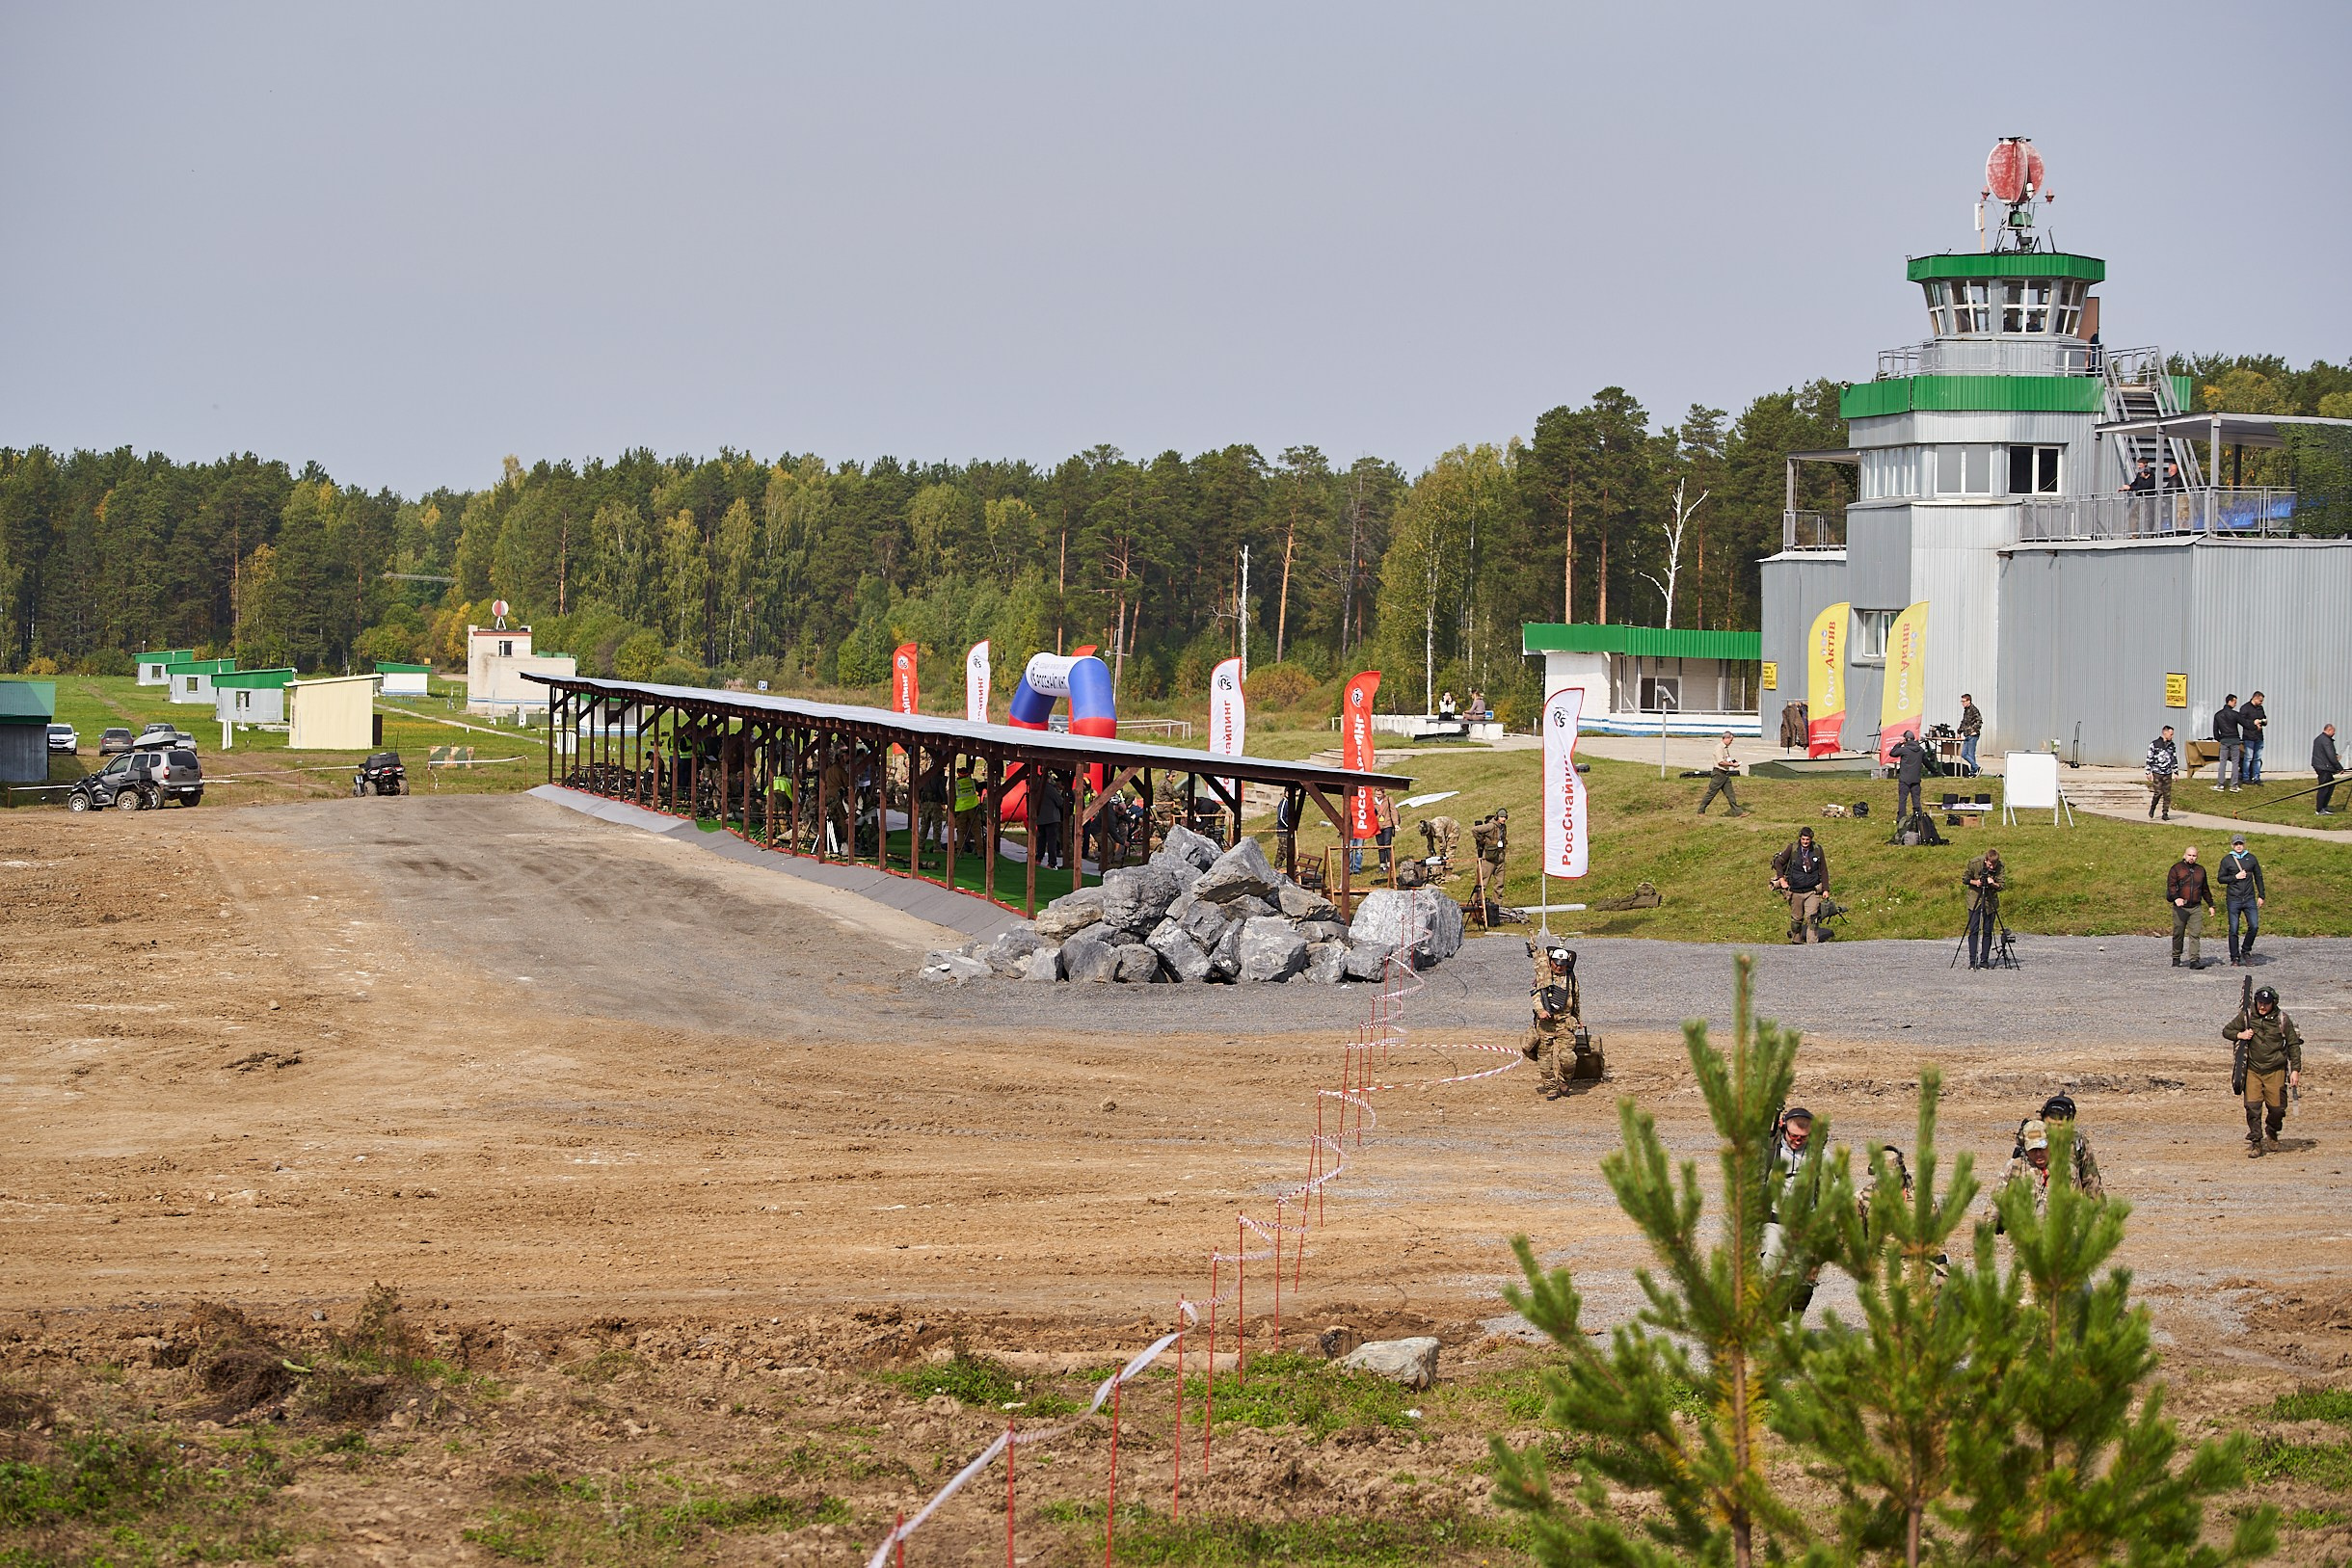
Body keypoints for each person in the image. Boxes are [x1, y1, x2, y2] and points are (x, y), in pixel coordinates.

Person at [2226, 984, 2304, 1156]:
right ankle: (2256, 1142)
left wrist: (2295, 1070)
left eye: (2266, 1003)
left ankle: (2272, 1130)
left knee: (2277, 1109)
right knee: (2252, 1107)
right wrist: (2241, 1035)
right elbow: (2227, 1030)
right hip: (2253, 1069)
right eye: (2260, 1002)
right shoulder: (2247, 1016)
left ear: (2273, 1003)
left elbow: (2293, 1045)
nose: (2262, 1006)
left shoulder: (2282, 1019)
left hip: (2275, 1069)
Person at [1522, 941, 1598, 1096]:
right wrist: (1541, 1011)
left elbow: (1575, 998)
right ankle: (1550, 1087)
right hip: (1546, 1024)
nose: (1559, 967)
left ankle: (1564, 1081)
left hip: (1565, 1023)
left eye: (1562, 964)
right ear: (1551, 962)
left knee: (1569, 1058)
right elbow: (1536, 996)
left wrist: (1578, 1018)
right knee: (1545, 1059)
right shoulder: (1543, 977)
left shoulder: (1570, 978)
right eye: (1556, 964)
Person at [1761, 1107, 1819, 1311]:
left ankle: (1793, 1323)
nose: (1798, 1140)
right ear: (1784, 1129)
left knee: (1805, 1279)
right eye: (1793, 1136)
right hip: (1775, 1222)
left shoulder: (1818, 1155)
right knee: (1773, 1272)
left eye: (1803, 1137)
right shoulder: (1770, 1152)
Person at [2034, 1093, 2106, 1199]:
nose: (2055, 1130)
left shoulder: (2077, 1142)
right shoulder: (2032, 1139)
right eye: (2050, 1125)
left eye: (2060, 1126)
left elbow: (2091, 1183)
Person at [1990, 1119, 2051, 1231]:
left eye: (2042, 1148)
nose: (2038, 1154)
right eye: (2033, 1150)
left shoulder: (2064, 1169)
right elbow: (1995, 1203)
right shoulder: (2015, 1167)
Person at [1771, 827, 1831, 944]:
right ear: (1800, 838)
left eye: (1807, 840)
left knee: (1812, 918)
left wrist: (1826, 889)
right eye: (1803, 839)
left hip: (1812, 891)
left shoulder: (1817, 850)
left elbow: (1823, 870)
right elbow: (1778, 862)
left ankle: (1812, 945)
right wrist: (1782, 880)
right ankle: (1796, 943)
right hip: (1795, 891)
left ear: (1811, 839)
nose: (1805, 842)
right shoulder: (1792, 848)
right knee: (1796, 920)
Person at [2217, 833, 2265, 966]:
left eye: (2241, 843)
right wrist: (2235, 877)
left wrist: (2261, 895)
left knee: (2254, 926)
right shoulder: (2227, 860)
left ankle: (2246, 950)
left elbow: (2258, 877)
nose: (2239, 846)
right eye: (2236, 844)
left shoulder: (2252, 858)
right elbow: (2220, 879)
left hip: (2249, 898)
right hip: (2234, 899)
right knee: (2234, 929)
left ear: (2244, 844)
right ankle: (2234, 957)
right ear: (2232, 845)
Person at [2166, 844, 2213, 968]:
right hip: (2180, 907)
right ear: (2184, 855)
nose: (2192, 858)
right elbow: (2171, 886)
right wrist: (2176, 898)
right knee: (2178, 933)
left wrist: (2210, 904)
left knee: (2195, 934)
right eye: (2189, 855)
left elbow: (2205, 889)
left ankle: (2194, 960)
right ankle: (2176, 956)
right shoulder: (2176, 869)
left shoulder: (2200, 870)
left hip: (2195, 907)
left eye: (2194, 855)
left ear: (2197, 857)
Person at [1963, 845, 2004, 970]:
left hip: (1990, 901)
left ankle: (1984, 960)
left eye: (1994, 866)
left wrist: (1993, 883)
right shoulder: (1975, 863)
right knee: (1974, 929)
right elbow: (1965, 879)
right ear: (1986, 860)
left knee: (1987, 930)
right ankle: (1972, 960)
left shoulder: (2000, 866)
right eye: (1989, 865)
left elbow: (2001, 885)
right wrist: (1976, 882)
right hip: (1975, 897)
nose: (1991, 868)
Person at [1698, 731, 1747, 815]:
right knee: (1711, 793)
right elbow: (1720, 762)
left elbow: (1727, 759)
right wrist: (1732, 764)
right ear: (1726, 738)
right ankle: (1701, 810)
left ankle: (1738, 812)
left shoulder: (1725, 748)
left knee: (1730, 794)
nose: (1731, 742)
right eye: (1731, 740)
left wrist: (1734, 762)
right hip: (1718, 774)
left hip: (1725, 774)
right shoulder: (1719, 748)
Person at [1471, 808, 1509, 915]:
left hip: (1500, 859)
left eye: (1505, 817)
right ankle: (1476, 909)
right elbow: (1474, 830)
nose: (1504, 819)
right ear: (1497, 817)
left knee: (1500, 884)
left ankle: (1497, 909)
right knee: (1482, 884)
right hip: (1488, 860)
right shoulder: (1490, 826)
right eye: (1502, 817)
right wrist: (1482, 841)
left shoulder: (1503, 827)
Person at [1891, 728, 1928, 823]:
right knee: (1916, 800)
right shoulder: (1920, 750)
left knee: (1902, 799)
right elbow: (1926, 762)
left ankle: (1902, 819)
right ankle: (1919, 818)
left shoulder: (1904, 750)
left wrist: (1899, 743)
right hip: (1916, 779)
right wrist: (1936, 771)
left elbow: (1893, 753)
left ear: (1906, 739)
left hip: (1904, 779)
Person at [2145, 724, 2179, 820]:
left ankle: (2165, 813)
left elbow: (2174, 758)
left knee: (2167, 794)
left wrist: (2175, 772)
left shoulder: (2172, 745)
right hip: (2157, 772)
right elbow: (2149, 758)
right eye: (2170, 734)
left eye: (2172, 735)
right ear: (2165, 732)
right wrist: (2148, 771)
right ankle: (2153, 808)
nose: (2172, 736)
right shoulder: (2155, 744)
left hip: (2167, 773)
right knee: (2158, 792)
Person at [2211, 694, 2242, 792]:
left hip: (2224, 741)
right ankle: (2234, 785)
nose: (2235, 704)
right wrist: (2254, 725)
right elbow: (2245, 723)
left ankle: (2220, 784)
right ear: (2230, 701)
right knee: (2235, 762)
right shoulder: (2235, 714)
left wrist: (2219, 739)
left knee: (2223, 762)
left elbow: (2215, 730)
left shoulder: (2218, 715)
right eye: (2234, 702)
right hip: (2234, 740)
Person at [2240, 691, 2269, 784]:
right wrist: (2253, 723)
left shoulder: (2260, 708)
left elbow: (2263, 718)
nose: (2261, 702)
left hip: (2259, 737)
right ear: (2255, 698)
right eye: (2260, 700)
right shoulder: (2245, 708)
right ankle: (2246, 777)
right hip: (2249, 736)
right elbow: (2242, 721)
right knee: (2248, 758)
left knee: (2257, 758)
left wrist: (2264, 722)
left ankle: (2256, 777)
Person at [2314, 723, 2342, 815]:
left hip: (2322, 766)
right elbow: (2330, 755)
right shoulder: (2326, 741)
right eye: (2333, 732)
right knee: (2324, 788)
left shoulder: (2319, 738)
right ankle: (2319, 810)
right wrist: (2339, 768)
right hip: (2324, 767)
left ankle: (2324, 806)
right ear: (2329, 730)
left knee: (2330, 784)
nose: (2334, 734)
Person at [1958, 693, 1984, 775]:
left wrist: (1974, 730)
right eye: (1961, 701)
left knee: (1970, 753)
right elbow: (1964, 722)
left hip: (1973, 735)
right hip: (1967, 734)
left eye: (1964, 701)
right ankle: (1976, 768)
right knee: (1964, 754)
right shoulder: (1966, 710)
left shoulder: (1973, 709)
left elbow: (1979, 721)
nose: (1962, 703)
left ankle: (1974, 771)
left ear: (1969, 701)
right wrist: (1959, 731)